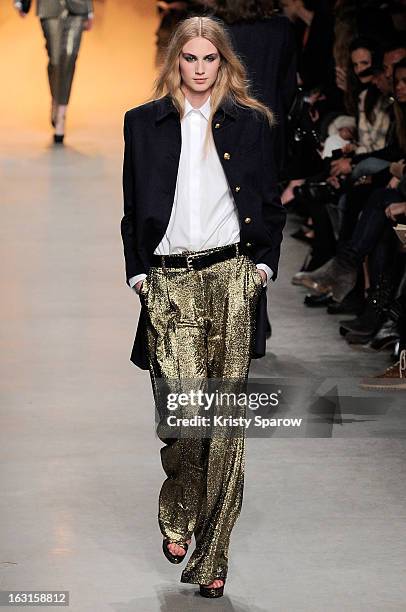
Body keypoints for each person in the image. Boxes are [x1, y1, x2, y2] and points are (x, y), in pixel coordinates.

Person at [121, 15, 286, 598]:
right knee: (187, 422)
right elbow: (132, 202)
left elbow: (267, 200)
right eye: (188, 58)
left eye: (208, 59)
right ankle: (180, 509)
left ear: (223, 63)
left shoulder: (251, 123)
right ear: (175, 62)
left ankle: (213, 559)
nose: (198, 69)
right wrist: (138, 273)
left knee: (226, 430)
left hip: (229, 278)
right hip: (167, 284)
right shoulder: (142, 124)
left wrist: (261, 269)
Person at [13, 0, 94, 144]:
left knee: (69, 59)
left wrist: (89, 9)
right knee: (55, 61)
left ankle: (61, 115)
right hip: (49, 6)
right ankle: (56, 99)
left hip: (78, 7)